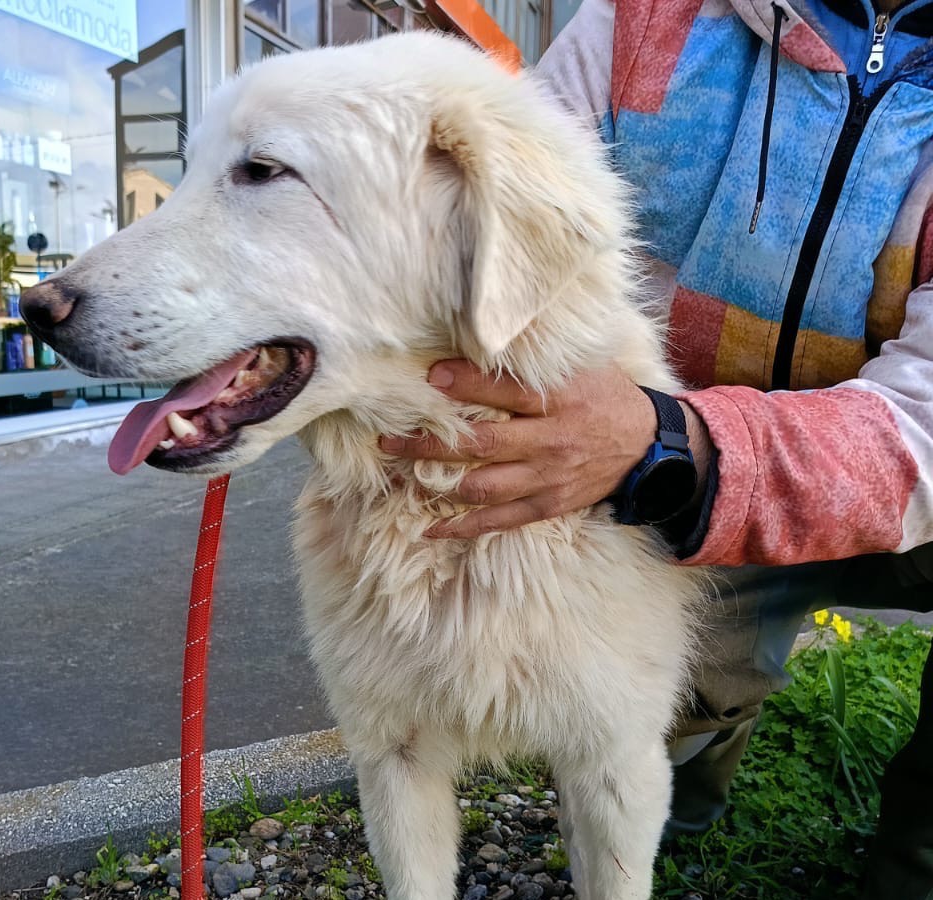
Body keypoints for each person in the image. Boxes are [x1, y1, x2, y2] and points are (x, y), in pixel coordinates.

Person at [380, 0, 933, 894]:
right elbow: (485, 224)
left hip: (826, 484)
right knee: (642, 748)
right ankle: (701, 759)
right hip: (648, 486)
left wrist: (673, 440)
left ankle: (917, 861)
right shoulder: (640, 20)